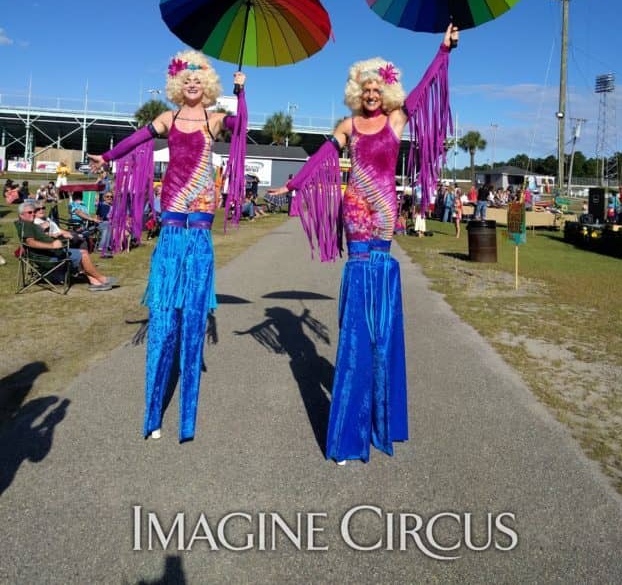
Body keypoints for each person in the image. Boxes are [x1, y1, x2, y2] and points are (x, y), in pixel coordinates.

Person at [270, 23, 458, 464]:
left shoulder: (396, 119)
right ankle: (349, 433)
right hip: (355, 213)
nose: (372, 93)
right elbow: (325, 155)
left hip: (385, 216)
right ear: (357, 91)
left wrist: (443, 50)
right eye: (366, 88)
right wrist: (296, 182)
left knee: (384, 321)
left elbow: (430, 87)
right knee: (357, 322)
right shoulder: (349, 124)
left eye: (378, 87)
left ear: (387, 92)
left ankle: (381, 420)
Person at [88, 50, 247, 442]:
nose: (192, 84)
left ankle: (187, 418)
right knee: (163, 311)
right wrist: (107, 156)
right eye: (187, 79)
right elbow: (136, 139)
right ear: (179, 85)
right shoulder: (168, 118)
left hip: (202, 212)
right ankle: (153, 410)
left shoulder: (214, 120)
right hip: (174, 210)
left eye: (199, 79)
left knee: (194, 312)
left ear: (207, 86)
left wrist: (242, 94)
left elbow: (242, 127)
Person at [16, 202, 116, 291]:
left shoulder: (31, 224)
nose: (33, 214)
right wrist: (51, 245)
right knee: (83, 254)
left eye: (33, 212)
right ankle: (102, 279)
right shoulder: (27, 225)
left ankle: (95, 282)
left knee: (82, 250)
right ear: (21, 215)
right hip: (47, 258)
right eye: (29, 212)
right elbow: (30, 242)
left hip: (51, 253)